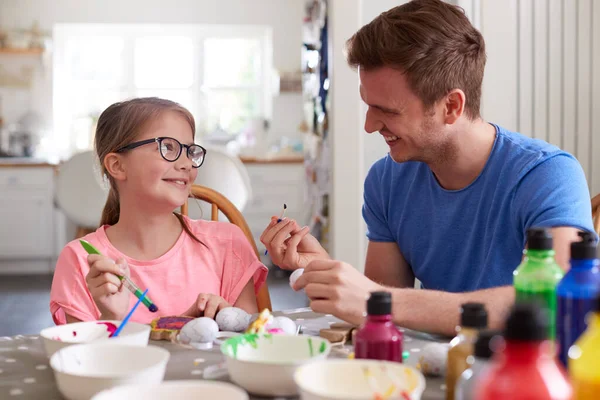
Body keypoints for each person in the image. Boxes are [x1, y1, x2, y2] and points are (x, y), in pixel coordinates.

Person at [260, 0, 595, 335]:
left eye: (387, 111)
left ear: (451, 106)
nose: (369, 125)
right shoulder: (386, 181)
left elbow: (554, 299)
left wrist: (380, 299)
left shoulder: (547, 175)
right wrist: (324, 270)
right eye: (367, 106)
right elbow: (381, 313)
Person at [50, 97, 267, 324]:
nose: (187, 164)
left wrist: (228, 322)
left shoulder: (227, 244)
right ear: (117, 165)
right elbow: (80, 358)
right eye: (167, 147)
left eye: (189, 151)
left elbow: (251, 344)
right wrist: (111, 318)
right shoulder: (81, 260)